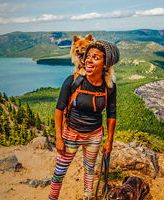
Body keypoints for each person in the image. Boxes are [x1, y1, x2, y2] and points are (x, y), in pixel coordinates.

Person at [48, 40, 119, 200]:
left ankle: (88, 197)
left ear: (105, 64)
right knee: (59, 172)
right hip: (71, 134)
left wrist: (109, 141)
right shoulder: (73, 80)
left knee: (90, 170)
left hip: (94, 136)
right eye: (88, 56)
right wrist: (59, 138)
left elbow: (111, 114)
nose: (88, 60)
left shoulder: (109, 86)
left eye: (95, 57)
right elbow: (59, 110)